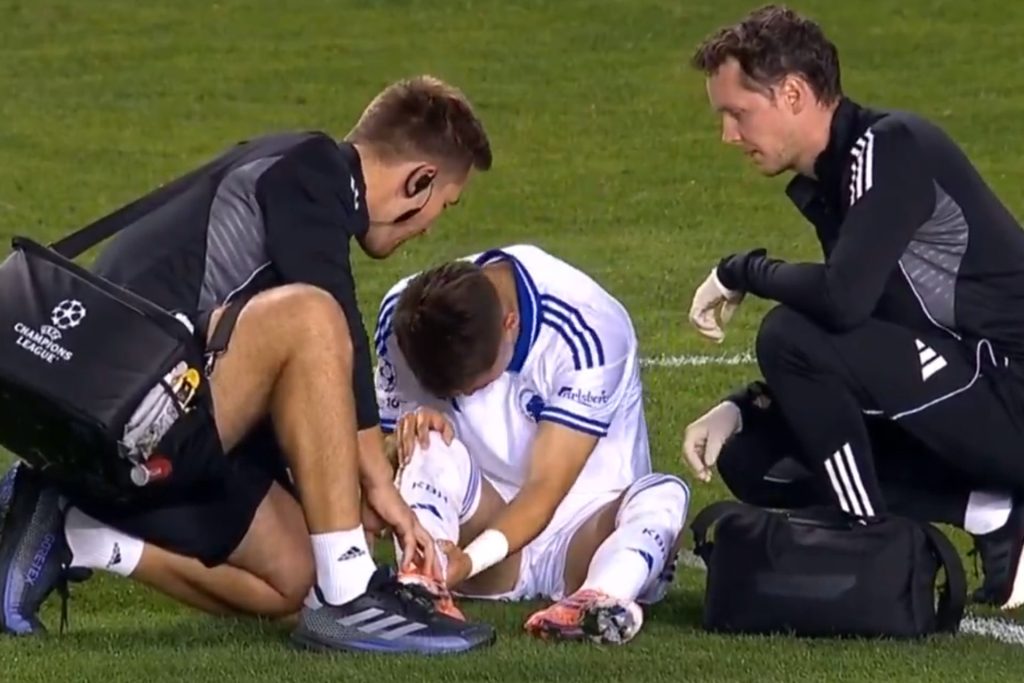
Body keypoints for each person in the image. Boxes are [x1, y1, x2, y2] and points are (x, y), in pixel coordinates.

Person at [0, 74, 498, 654]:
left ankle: (72, 530)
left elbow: (284, 383)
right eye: (443, 204)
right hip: (129, 417)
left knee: (298, 576)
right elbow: (328, 320)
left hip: (141, 421)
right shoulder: (313, 168)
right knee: (312, 315)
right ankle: (351, 599)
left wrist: (345, 486)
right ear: (420, 180)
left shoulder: (283, 166)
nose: (431, 225)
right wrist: (378, 483)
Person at [681, 4, 1024, 611]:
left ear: (792, 94)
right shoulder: (836, 181)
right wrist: (745, 405)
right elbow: (865, 334)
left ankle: (868, 543)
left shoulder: (891, 148)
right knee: (750, 452)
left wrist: (741, 270)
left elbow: (842, 303)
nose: (728, 135)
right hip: (970, 398)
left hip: (1009, 392)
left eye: (738, 113)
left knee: (786, 334)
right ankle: (992, 515)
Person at [373, 244, 690, 644]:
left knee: (664, 494)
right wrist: (402, 441)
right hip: (481, 517)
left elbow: (544, 488)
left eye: (477, 385)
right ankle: (424, 583)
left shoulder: (589, 327)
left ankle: (600, 599)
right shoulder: (403, 323)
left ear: (511, 324)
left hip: (586, 531)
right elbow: (380, 458)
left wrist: (468, 561)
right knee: (425, 441)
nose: (462, 398)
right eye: (449, 394)